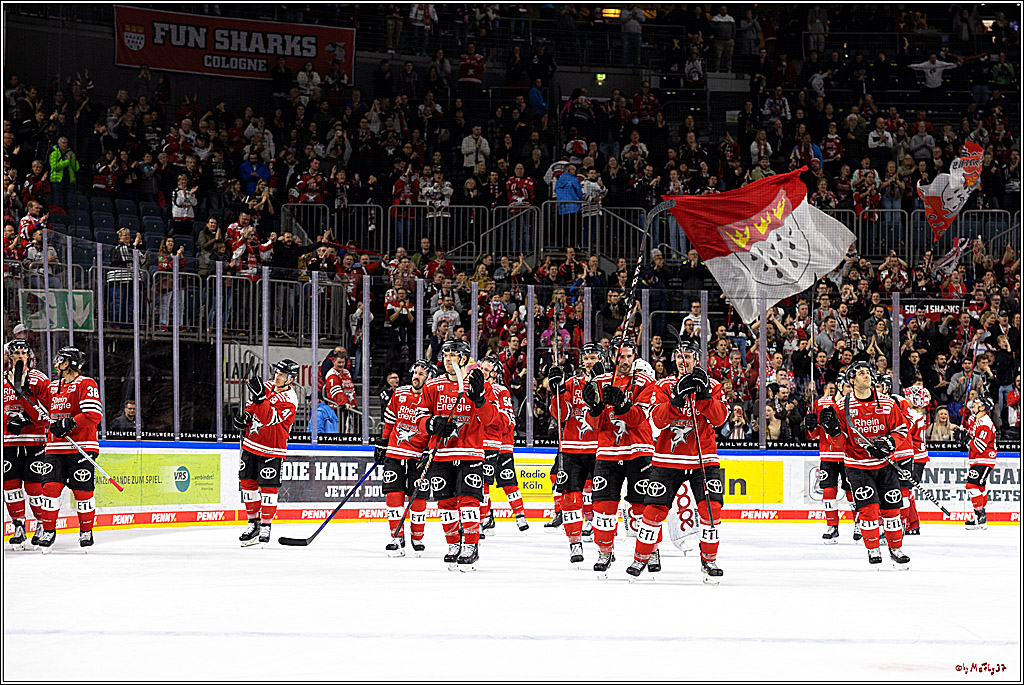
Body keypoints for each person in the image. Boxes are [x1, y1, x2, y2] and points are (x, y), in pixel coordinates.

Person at [631, 340, 729, 582]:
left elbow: (719, 419)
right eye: (679, 356)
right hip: (667, 458)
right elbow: (656, 421)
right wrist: (675, 400)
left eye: (687, 355)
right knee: (653, 510)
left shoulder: (713, 385)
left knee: (711, 509)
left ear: (696, 359)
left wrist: (705, 396)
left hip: (703, 459)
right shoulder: (663, 385)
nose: (682, 360)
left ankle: (709, 559)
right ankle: (641, 557)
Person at [414, 340, 498, 571]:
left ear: (464, 358)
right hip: (441, 453)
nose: (449, 359)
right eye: (446, 354)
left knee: (469, 501)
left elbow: (492, 421)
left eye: (454, 354)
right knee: (446, 503)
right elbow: (419, 419)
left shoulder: (477, 384)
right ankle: (453, 544)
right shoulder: (432, 386)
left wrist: (480, 398)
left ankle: (470, 545)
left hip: (471, 451)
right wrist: (431, 424)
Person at [820, 361, 910, 568]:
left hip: (885, 465)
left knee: (891, 510)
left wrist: (889, 443)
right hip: (858, 467)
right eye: (860, 373)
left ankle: (896, 549)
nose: (866, 375)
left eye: (867, 372)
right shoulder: (842, 407)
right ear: (851, 380)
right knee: (868, 510)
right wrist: (833, 431)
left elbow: (901, 430)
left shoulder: (887, 403)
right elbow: (840, 443)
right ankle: (873, 549)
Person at [580, 338, 657, 578]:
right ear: (612, 357)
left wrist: (623, 404)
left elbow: (639, 420)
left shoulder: (645, 382)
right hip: (608, 452)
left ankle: (650, 551)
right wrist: (594, 409)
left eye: (628, 356)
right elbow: (592, 425)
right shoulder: (599, 382)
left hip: (639, 450)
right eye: (620, 356)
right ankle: (605, 551)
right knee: (603, 507)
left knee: (641, 507)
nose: (624, 361)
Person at [37, 347, 102, 551]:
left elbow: (93, 414)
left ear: (69, 363)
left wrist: (68, 424)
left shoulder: (86, 383)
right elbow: (40, 407)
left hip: (81, 446)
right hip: (55, 447)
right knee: (50, 489)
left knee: (82, 492)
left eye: (61, 360)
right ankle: (48, 531)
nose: (57, 363)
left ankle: (86, 530)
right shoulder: (53, 386)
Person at [548, 342, 604, 563]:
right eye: (587, 358)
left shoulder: (609, 381)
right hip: (571, 448)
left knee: (602, 500)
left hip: (601, 449)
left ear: (602, 358)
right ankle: (575, 543)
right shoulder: (571, 383)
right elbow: (560, 415)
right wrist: (557, 392)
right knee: (570, 499)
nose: (590, 362)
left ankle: (603, 545)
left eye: (594, 357)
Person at [235, 359, 299, 547]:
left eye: (282, 375)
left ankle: (266, 525)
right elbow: (252, 408)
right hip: (250, 443)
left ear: (291, 379)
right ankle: (253, 523)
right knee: (247, 484)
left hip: (273, 448)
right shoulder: (266, 387)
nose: (277, 377)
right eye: (277, 373)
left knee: (268, 488)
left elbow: (267, 417)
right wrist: (245, 417)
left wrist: (261, 400)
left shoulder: (290, 401)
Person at [379, 359, 435, 557]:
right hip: (395, 452)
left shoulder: (432, 399)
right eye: (415, 372)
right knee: (393, 495)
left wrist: (429, 450)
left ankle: (417, 537)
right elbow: (389, 420)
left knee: (418, 498)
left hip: (419, 456)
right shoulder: (400, 392)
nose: (416, 376)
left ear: (429, 378)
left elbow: (436, 429)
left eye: (421, 374)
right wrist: (383, 442)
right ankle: (396, 537)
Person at [3, 339, 51, 549]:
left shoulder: (40, 379)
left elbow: (48, 411)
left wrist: (27, 419)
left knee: (34, 486)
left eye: (24, 352)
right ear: (9, 356)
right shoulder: (3, 379)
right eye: (16, 353)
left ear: (29, 355)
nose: (20, 356)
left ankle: (41, 525)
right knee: (10, 485)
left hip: (34, 440)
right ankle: (18, 526)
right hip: (8, 441)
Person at [803, 375, 857, 543]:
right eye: (847, 385)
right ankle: (832, 526)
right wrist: (810, 425)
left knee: (852, 492)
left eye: (852, 385)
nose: (850, 389)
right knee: (828, 490)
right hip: (828, 454)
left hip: (849, 454)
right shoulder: (820, 403)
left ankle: (859, 523)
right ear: (840, 385)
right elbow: (812, 435)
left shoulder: (857, 405)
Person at [478, 356, 526, 533]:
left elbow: (509, 421)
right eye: (481, 368)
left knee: (508, 480)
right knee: (482, 483)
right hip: (480, 444)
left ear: (494, 374)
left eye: (486, 369)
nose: (481, 371)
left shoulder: (500, 391)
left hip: (500, 443)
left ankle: (519, 515)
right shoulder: (473, 388)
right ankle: (486, 518)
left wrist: (493, 422)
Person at [954, 396, 998, 530]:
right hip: (977, 459)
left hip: (984, 459)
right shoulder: (976, 419)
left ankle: (980, 517)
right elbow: (972, 434)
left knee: (971, 486)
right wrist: (964, 433)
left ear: (983, 407)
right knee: (980, 487)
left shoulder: (985, 424)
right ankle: (979, 517)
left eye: (977, 403)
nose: (973, 404)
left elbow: (979, 446)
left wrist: (965, 440)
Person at [902, 384, 931, 535]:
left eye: (907, 396)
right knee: (907, 490)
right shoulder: (917, 414)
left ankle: (907, 523)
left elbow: (903, 434)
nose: (904, 398)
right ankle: (912, 524)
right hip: (918, 456)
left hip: (914, 457)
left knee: (904, 490)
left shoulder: (911, 415)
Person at [324, 350, 358, 433]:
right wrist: (344, 402)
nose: (341, 365)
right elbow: (336, 391)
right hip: (338, 408)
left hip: (350, 407)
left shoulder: (346, 372)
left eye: (343, 362)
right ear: (333, 361)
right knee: (341, 432)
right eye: (339, 362)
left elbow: (351, 389)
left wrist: (354, 403)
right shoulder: (331, 374)